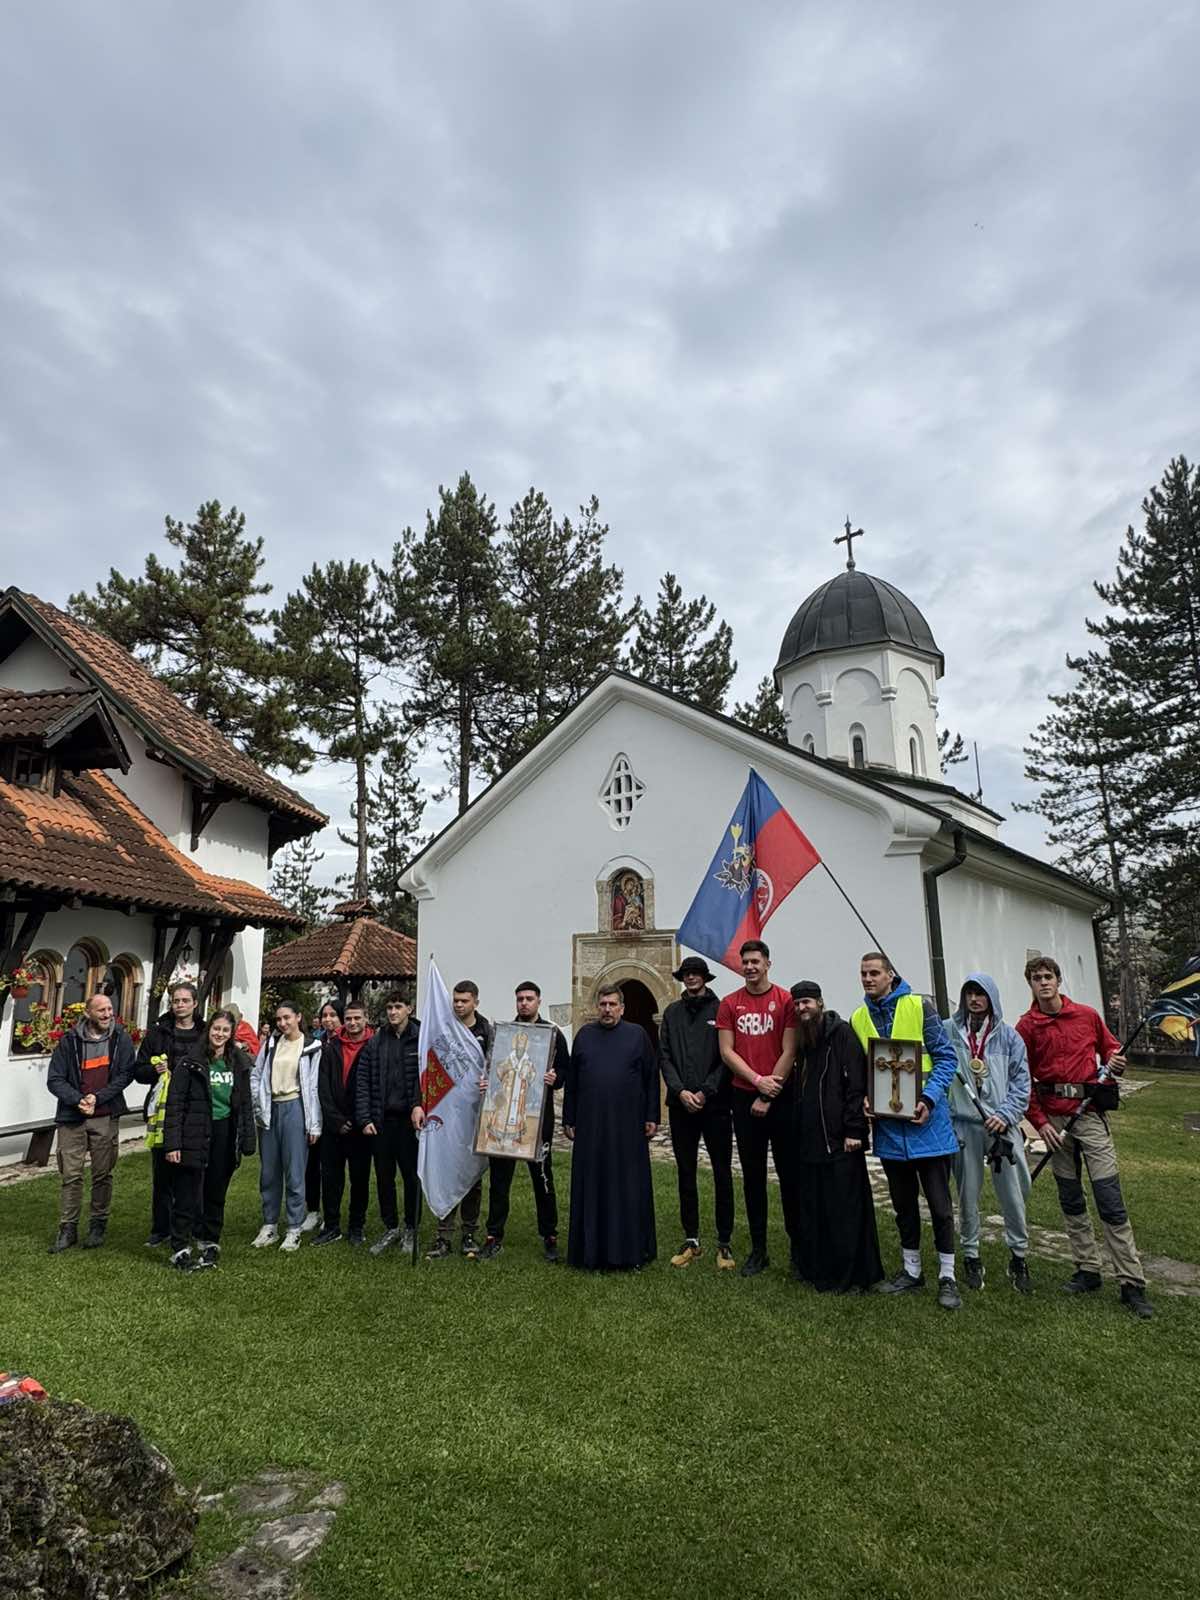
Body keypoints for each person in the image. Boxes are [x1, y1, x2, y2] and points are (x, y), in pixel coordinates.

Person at [1017, 956, 1151, 1319]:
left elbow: (1110, 1048)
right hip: (1056, 1122)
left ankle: (1131, 1281)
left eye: (1048, 977)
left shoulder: (1087, 1015)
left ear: (1059, 981)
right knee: (1071, 1198)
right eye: (1036, 978)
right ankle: (1087, 1269)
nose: (1043, 983)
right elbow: (1020, 1078)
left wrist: (1115, 1059)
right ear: (1030, 984)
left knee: (1109, 1197)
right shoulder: (1027, 1026)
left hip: (1089, 1115)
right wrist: (1039, 1121)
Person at [850, 952, 961, 1311]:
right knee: (903, 1206)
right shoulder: (859, 1017)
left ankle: (948, 1275)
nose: (868, 979)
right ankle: (911, 1270)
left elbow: (946, 1057)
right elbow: (862, 1070)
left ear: (890, 975)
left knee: (941, 1207)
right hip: (889, 1131)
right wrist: (866, 1098)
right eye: (863, 974)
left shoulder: (919, 1006)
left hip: (926, 1125)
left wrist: (928, 1099)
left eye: (874, 973)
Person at [787, 980, 883, 1293]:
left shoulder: (841, 1033)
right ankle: (821, 1270)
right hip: (810, 1141)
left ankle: (854, 1275)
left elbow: (856, 1083)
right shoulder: (804, 1040)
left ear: (820, 1002)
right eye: (798, 1004)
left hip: (841, 1139)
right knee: (817, 1208)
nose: (802, 1008)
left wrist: (855, 1129)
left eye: (807, 1003)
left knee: (846, 1210)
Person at [945, 974, 1032, 1293]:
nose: (974, 999)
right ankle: (971, 1254)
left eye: (980, 993)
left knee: (1014, 1192)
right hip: (965, 1124)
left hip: (1002, 1127)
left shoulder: (1010, 1038)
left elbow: (1022, 1084)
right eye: (969, 993)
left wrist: (1006, 1114)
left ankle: (1019, 1255)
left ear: (991, 998)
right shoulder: (949, 1032)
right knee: (967, 1194)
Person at [562, 984, 659, 1270]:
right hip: (590, 1126)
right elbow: (573, 1082)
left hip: (628, 1127)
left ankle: (629, 1253)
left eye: (612, 1005)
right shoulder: (584, 1036)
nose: (607, 1010)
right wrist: (569, 1118)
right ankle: (589, 1251)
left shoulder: (637, 1035)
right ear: (597, 1007)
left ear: (622, 1008)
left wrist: (651, 1115)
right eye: (603, 1004)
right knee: (591, 1185)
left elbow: (650, 1077)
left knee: (627, 1186)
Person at [716, 940, 798, 1278]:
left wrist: (769, 1091)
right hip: (743, 1096)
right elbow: (726, 1051)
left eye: (755, 961)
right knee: (753, 1177)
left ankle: (798, 1248)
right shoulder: (729, 1004)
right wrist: (755, 1081)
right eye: (745, 962)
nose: (750, 967)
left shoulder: (785, 1000)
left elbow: (790, 1049)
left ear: (768, 963)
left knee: (790, 1175)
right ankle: (759, 1249)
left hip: (780, 1098)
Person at [477, 982, 567, 1264]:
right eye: (520, 999)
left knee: (542, 1178)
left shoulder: (552, 1035)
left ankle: (549, 1234)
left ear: (539, 1000)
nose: (524, 1003)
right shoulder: (502, 1033)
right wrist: (486, 1081)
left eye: (529, 999)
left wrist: (556, 1078)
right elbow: (492, 1066)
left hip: (537, 1120)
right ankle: (494, 1235)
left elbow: (564, 1069)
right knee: (499, 1180)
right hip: (504, 1115)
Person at [659, 957, 736, 1270]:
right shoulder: (672, 1013)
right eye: (687, 974)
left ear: (705, 978)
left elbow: (727, 1057)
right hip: (681, 1105)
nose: (691, 978)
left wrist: (706, 1091)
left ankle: (724, 1241)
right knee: (686, 1172)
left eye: (696, 974)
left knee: (721, 1172)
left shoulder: (721, 1011)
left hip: (715, 1105)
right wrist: (680, 1091)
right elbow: (664, 1055)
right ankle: (691, 1238)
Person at [46, 991, 137, 1253]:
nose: (108, 1014)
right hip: (72, 1117)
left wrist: (97, 1098)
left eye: (110, 1009)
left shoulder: (120, 1039)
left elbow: (125, 1074)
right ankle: (68, 1228)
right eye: (102, 1010)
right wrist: (78, 1100)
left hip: (106, 1116)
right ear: (88, 1013)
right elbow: (55, 1079)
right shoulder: (69, 1041)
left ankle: (98, 1224)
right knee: (71, 1175)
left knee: (102, 1174)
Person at [418, 980, 492, 1259]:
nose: (459, 1005)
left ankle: (469, 1233)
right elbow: (428, 1065)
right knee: (446, 1167)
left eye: (465, 1001)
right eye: (456, 1001)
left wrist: (490, 1082)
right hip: (446, 1112)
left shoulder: (487, 1031)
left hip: (474, 1112)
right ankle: (443, 1234)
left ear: (476, 1002)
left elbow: (497, 1067)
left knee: (471, 1172)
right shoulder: (444, 1029)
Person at [135, 981, 209, 1248]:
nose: (179, 1005)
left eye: (184, 1001)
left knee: (194, 1174)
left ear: (195, 1003)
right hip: (164, 1111)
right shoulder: (158, 1033)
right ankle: (161, 1229)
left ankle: (194, 1226)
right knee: (163, 1173)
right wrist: (153, 1071)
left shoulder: (205, 1032)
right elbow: (138, 1070)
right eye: (175, 1001)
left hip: (196, 1109)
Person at [251, 1000, 323, 1251]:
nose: (282, 1023)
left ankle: (294, 1227)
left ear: (298, 1017)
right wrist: (257, 1102)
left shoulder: (312, 1046)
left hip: (296, 1109)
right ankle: (269, 1224)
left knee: (294, 1171)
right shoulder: (271, 1044)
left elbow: (313, 1087)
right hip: (271, 1110)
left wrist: (314, 1125)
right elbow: (257, 1074)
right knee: (269, 1172)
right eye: (278, 1019)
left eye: (287, 1018)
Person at [190, 1009, 258, 1267]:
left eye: (225, 1031)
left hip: (226, 1128)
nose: (219, 1034)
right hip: (201, 1126)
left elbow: (245, 1103)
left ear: (231, 1034)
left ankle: (211, 1235)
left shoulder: (239, 1062)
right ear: (209, 1030)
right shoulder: (196, 1059)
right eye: (216, 1029)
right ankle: (194, 1229)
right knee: (196, 1182)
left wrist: (248, 1137)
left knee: (217, 1184)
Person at [357, 992, 421, 1254]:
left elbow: (426, 1077)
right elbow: (363, 1079)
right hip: (381, 1120)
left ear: (409, 1008)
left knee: (410, 1177)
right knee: (384, 1177)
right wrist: (365, 1117)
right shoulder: (376, 1041)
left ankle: (410, 1227)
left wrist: (419, 1105)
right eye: (389, 1007)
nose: (393, 1012)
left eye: (398, 1007)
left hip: (409, 1120)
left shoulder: (420, 1038)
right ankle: (390, 1226)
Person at [315, 999, 374, 1245]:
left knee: (359, 1179)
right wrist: (336, 1120)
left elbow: (373, 1086)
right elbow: (323, 1086)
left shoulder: (374, 1046)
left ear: (365, 1018)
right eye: (348, 1018)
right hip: (334, 1126)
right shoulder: (331, 1047)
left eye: (357, 1018)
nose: (352, 1023)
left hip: (361, 1126)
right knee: (330, 1179)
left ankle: (356, 1226)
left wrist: (361, 1119)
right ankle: (331, 1225)